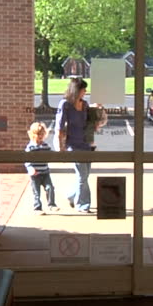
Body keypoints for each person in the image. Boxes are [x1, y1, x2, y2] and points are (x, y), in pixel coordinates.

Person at [55, 77, 93, 213]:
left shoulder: (85, 105)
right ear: (77, 90)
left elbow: (89, 124)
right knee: (82, 176)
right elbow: (59, 127)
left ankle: (71, 196)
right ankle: (83, 205)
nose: (85, 91)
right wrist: (61, 148)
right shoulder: (65, 104)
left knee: (85, 175)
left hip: (86, 145)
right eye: (83, 89)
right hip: (73, 145)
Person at [24, 122, 58, 214]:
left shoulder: (45, 146)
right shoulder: (30, 147)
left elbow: (51, 154)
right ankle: (37, 208)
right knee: (36, 192)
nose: (40, 136)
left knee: (50, 188)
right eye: (38, 134)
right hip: (35, 174)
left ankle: (52, 205)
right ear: (32, 135)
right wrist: (30, 168)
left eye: (42, 134)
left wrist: (58, 155)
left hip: (45, 172)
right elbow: (26, 160)